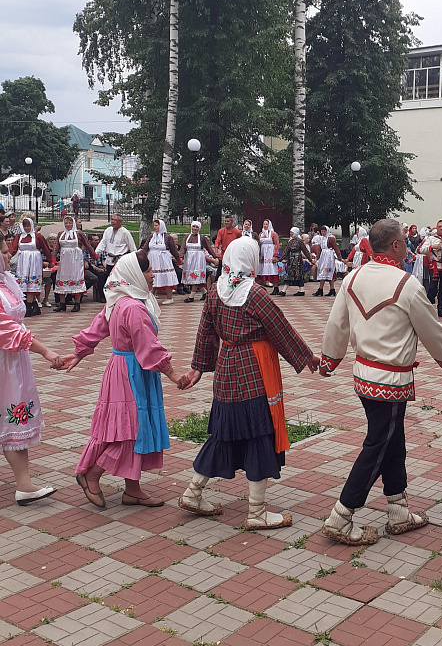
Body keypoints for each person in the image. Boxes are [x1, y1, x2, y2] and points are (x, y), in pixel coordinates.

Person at [318, 218, 442, 545]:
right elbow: (432, 331)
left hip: (363, 378)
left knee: (393, 441)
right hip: (391, 381)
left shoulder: (352, 278)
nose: (408, 248)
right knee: (379, 445)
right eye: (404, 242)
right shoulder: (407, 284)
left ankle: (398, 510)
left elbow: (336, 326)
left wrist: (329, 360)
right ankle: (341, 515)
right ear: (394, 246)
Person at [178, 237, 319, 526]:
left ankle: (193, 492)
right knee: (258, 436)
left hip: (226, 372)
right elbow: (281, 329)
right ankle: (256, 512)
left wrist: (198, 368)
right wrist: (307, 357)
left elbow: (205, 333)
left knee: (223, 435)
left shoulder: (216, 291)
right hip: (254, 373)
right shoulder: (254, 294)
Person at [62, 251, 184, 508]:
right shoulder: (134, 307)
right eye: (149, 271)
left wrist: (78, 354)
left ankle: (132, 489)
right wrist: (173, 374)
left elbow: (96, 329)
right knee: (132, 430)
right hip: (132, 373)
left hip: (124, 369)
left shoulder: (120, 301)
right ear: (136, 275)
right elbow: (148, 347)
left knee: (129, 427)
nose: (153, 276)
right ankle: (92, 474)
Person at [0, 235, 60, 505]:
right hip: (6, 360)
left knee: (15, 421)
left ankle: (24, 485)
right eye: (2, 252)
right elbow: (7, 329)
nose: (6, 257)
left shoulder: (6, 282)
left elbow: (17, 325)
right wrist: (46, 351)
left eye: (5, 252)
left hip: (12, 363)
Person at [53, 214, 97, 313]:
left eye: (70, 223)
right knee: (62, 278)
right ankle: (62, 303)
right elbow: (56, 246)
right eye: (66, 223)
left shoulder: (79, 234)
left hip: (75, 259)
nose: (68, 225)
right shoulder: (60, 234)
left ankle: (77, 303)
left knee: (76, 278)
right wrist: (53, 258)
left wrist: (93, 255)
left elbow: (87, 244)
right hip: (64, 259)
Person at [9, 217, 52, 317]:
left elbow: (45, 249)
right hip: (23, 261)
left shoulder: (38, 237)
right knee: (24, 283)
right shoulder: (19, 236)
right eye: (25, 226)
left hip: (34, 262)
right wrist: (7, 256)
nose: (27, 228)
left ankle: (29, 307)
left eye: (28, 225)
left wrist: (50, 261)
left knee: (31, 283)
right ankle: (34, 306)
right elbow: (13, 248)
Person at [140, 219, 180, 304]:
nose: (155, 227)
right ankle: (150, 296)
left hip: (164, 260)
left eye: (157, 225)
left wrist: (178, 259)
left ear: (161, 226)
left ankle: (169, 298)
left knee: (166, 276)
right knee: (153, 276)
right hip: (153, 259)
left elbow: (173, 250)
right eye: (154, 225)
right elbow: (145, 247)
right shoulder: (151, 237)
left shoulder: (167, 238)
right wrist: (140, 255)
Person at [180, 221, 218, 302]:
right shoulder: (187, 237)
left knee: (196, 276)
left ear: (199, 228)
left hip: (198, 259)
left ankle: (191, 296)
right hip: (189, 259)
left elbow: (209, 248)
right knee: (193, 277)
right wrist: (181, 257)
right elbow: (183, 247)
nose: (194, 228)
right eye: (193, 226)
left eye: (196, 227)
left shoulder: (202, 238)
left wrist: (215, 257)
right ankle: (205, 292)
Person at [421, 220, 442, 318]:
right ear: (436, 228)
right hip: (435, 267)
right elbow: (421, 249)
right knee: (432, 289)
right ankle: (428, 309)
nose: (441, 228)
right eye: (439, 226)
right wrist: (432, 247)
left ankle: (441, 310)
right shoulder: (431, 239)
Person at [96, 215, 137, 280]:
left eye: (115, 220)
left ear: (120, 222)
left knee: (119, 279)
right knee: (109, 279)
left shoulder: (125, 233)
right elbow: (103, 243)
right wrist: (96, 253)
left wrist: (134, 260)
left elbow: (132, 247)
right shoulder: (108, 230)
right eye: (112, 219)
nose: (112, 221)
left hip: (120, 261)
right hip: (109, 260)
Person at [313, 228, 342, 297]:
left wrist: (339, 256)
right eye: (322, 231)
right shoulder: (322, 239)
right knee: (324, 271)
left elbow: (335, 248)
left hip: (329, 257)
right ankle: (329, 289)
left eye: (324, 231)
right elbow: (319, 249)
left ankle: (323, 289)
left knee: (327, 271)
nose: (323, 233)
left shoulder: (331, 238)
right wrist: (317, 257)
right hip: (323, 256)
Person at [257, 219, 281, 294]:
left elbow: (277, 244)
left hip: (270, 253)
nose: (265, 226)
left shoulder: (273, 234)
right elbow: (258, 244)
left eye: (266, 224)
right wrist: (259, 255)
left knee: (272, 270)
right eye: (264, 224)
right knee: (262, 270)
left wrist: (275, 255)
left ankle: (276, 287)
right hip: (263, 253)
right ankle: (261, 288)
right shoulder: (261, 234)